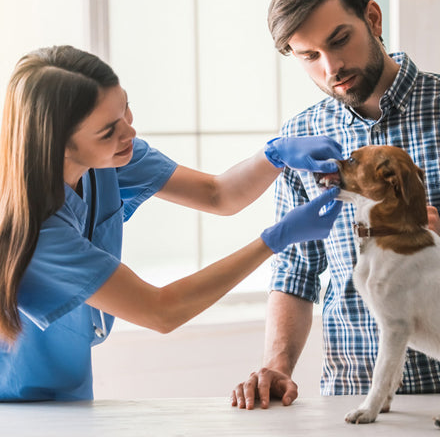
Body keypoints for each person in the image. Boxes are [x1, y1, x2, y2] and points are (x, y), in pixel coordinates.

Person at [0, 45, 344, 401]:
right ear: (59, 144)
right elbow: (161, 310)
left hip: (70, 391)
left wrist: (274, 155)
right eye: (107, 130)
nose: (128, 132)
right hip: (16, 405)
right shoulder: (36, 230)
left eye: (125, 109)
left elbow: (217, 194)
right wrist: (274, 240)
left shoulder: (109, 159)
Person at [232, 0, 440, 410]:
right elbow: (295, 272)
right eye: (309, 56)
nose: (331, 68)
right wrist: (277, 366)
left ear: (372, 18)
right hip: (349, 397)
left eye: (339, 40)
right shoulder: (300, 142)